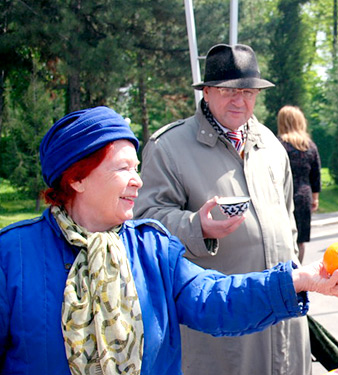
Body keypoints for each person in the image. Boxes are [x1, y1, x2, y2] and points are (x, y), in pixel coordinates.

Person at [0, 106, 338, 375]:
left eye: (137, 167)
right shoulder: (7, 259)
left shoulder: (151, 248)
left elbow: (216, 299)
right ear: (76, 177)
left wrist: (298, 280)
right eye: (122, 169)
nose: (138, 181)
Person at [133, 44, 311, 375]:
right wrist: (195, 227)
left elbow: (288, 224)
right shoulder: (168, 147)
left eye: (247, 91)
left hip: (285, 320)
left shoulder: (271, 145)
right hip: (222, 332)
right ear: (208, 92)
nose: (239, 100)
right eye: (227, 90)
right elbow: (146, 225)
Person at [278, 105, 321, 263]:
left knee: (283, 238)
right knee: (300, 239)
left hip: (282, 196)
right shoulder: (309, 146)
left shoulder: (277, 145)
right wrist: (315, 198)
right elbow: (315, 175)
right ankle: (298, 270)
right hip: (304, 195)